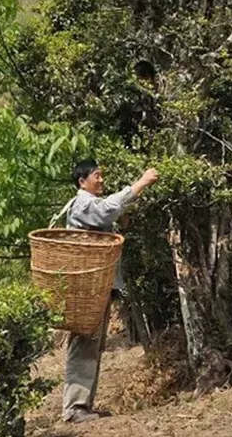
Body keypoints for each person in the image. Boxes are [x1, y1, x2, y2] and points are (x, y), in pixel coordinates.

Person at [61, 159, 159, 424]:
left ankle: (82, 405)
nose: (101, 180)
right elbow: (105, 211)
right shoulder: (83, 202)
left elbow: (108, 218)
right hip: (88, 287)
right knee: (84, 343)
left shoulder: (87, 204)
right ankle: (74, 408)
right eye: (97, 176)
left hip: (96, 285)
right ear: (82, 182)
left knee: (92, 344)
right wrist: (139, 184)